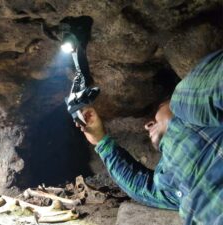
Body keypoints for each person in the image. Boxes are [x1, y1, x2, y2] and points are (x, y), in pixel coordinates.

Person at [77, 49, 223, 225]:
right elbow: (140, 187)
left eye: (155, 115)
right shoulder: (166, 180)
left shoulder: (184, 103)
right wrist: (101, 140)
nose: (147, 125)